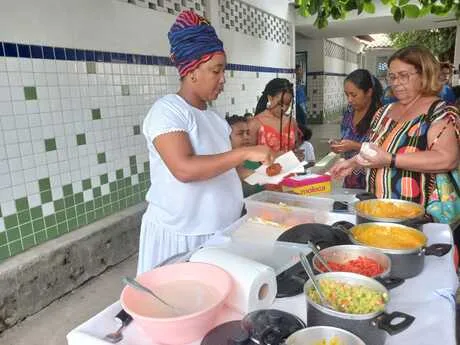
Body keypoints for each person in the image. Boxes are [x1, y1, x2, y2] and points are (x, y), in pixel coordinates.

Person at [137, 10, 273, 274]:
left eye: (224, 70)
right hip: (182, 236)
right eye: (216, 70)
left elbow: (230, 170)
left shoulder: (214, 119)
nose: (223, 79)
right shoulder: (168, 110)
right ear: (191, 71)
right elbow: (184, 169)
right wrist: (245, 151)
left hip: (219, 231)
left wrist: (274, 171)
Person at [330, 45, 459, 207]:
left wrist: (390, 160)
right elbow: (376, 149)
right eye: (392, 77)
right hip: (378, 206)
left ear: (424, 75)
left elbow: (447, 158)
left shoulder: (439, 113)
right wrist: (353, 162)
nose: (396, 83)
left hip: (419, 214)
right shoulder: (384, 112)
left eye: (403, 76)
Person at [329, 69, 383, 189]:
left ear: (368, 92)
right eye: (346, 94)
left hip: (371, 181)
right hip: (350, 180)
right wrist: (339, 146)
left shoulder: (381, 115)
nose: (349, 99)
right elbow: (346, 137)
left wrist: (355, 146)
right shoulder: (349, 112)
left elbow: (384, 151)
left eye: (354, 95)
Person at [248, 78, 299, 155]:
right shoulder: (255, 123)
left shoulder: (292, 122)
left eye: (288, 104)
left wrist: (297, 155)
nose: (284, 108)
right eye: (280, 103)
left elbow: (295, 148)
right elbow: (247, 159)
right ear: (270, 98)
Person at [226, 115, 263, 197]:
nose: (247, 137)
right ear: (227, 137)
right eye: (240, 133)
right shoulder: (223, 167)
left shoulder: (254, 161)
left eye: (248, 133)